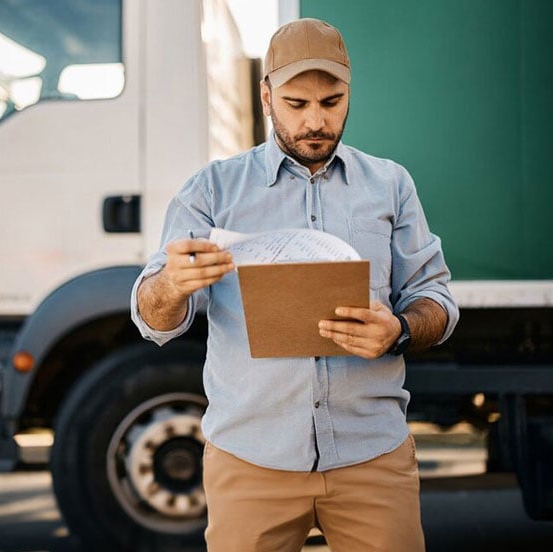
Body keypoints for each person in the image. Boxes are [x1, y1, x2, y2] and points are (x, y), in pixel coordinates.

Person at [130, 17, 459, 552]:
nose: (315, 121)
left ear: (349, 94)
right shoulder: (211, 190)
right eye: (296, 104)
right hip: (251, 459)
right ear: (266, 97)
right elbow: (152, 320)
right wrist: (172, 284)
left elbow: (437, 301)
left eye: (330, 103)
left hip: (371, 455)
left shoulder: (391, 185)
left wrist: (397, 330)